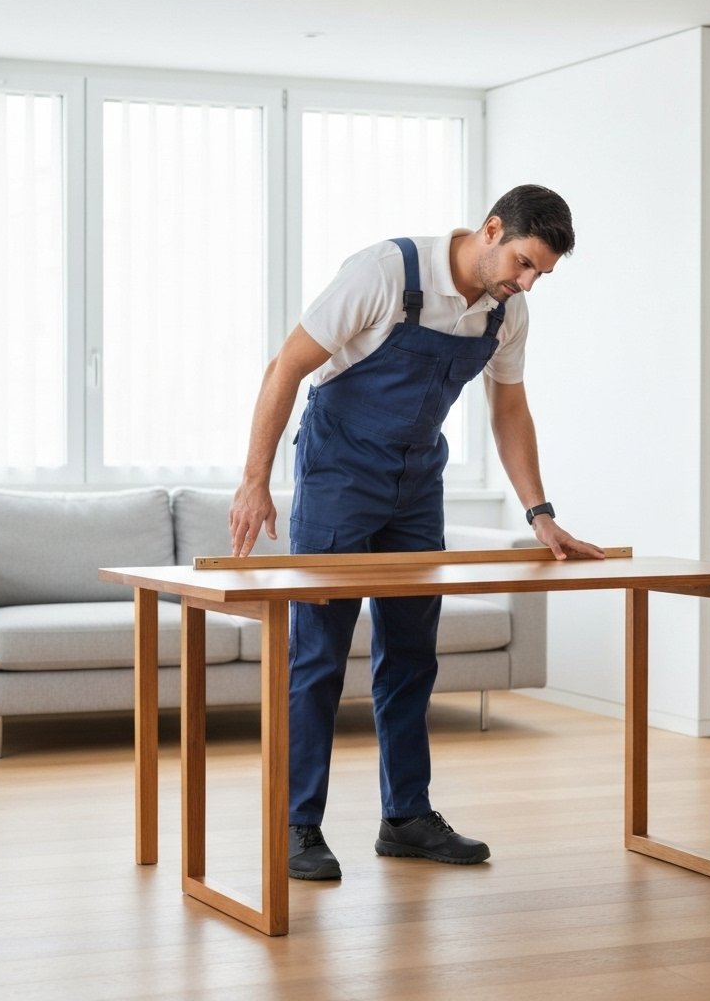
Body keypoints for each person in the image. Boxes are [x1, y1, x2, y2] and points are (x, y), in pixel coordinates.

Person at [229, 184, 603, 881]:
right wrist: (254, 478)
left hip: (415, 485)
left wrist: (539, 512)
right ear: (491, 230)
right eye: (523, 263)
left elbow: (510, 409)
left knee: (410, 652)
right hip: (339, 474)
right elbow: (287, 365)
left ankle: (405, 816)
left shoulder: (506, 313)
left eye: (540, 275)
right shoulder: (384, 272)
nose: (526, 284)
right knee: (318, 654)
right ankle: (294, 824)